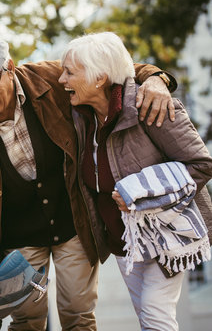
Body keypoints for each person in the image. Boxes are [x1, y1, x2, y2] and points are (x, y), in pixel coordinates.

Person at [0, 30, 176, 331]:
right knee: (26, 319)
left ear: (9, 68)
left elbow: (114, 70)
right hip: (17, 235)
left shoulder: (52, 79)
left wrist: (156, 79)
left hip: (73, 221)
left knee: (77, 315)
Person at [58, 31, 212, 330]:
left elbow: (201, 164)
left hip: (166, 235)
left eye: (70, 73)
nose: (62, 80)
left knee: (156, 314)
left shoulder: (149, 105)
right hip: (123, 241)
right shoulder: (83, 119)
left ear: (100, 77)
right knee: (147, 316)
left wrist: (141, 191)